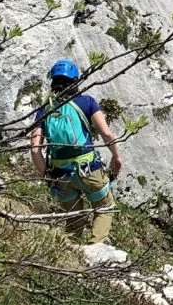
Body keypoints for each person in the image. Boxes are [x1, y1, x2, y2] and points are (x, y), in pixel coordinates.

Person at [29, 59, 123, 243]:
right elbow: (106, 133)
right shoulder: (87, 102)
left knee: (73, 218)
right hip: (89, 170)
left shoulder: (45, 109)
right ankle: (95, 249)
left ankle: (70, 255)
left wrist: (45, 176)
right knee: (104, 208)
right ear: (76, 81)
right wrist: (116, 156)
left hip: (60, 175)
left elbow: (34, 150)